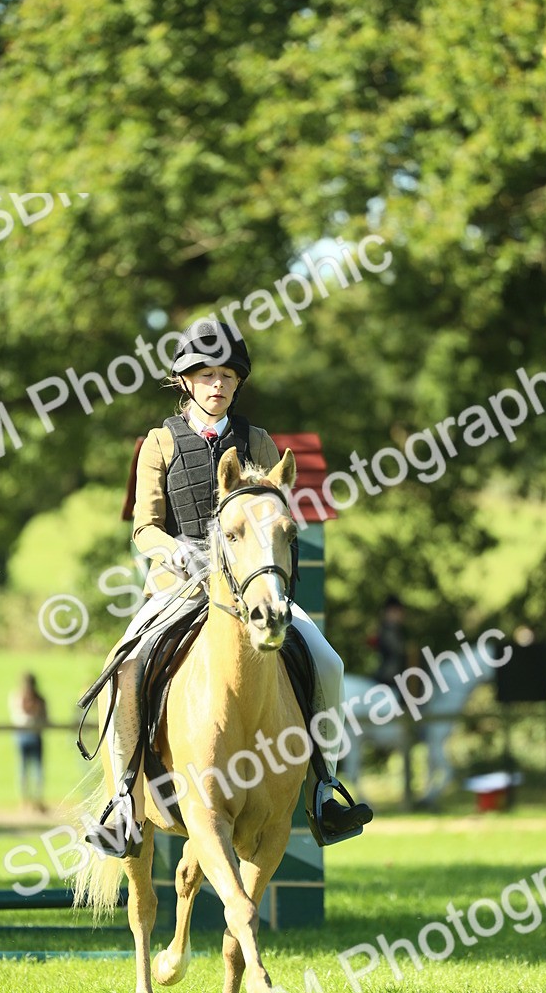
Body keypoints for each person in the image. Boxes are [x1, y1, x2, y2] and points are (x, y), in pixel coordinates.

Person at [85, 318, 358, 858]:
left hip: (249, 587)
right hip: (177, 586)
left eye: (227, 376)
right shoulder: (160, 443)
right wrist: (176, 552)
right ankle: (122, 798)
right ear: (186, 380)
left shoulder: (256, 440)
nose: (218, 385)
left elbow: (272, 509)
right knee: (125, 668)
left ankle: (324, 784)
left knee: (328, 662)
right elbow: (144, 527)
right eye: (206, 375)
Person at [9, 673, 49, 812]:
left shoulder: (16, 697)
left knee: (23, 769)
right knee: (37, 770)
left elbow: (15, 717)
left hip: (21, 736)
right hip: (36, 735)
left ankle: (24, 801)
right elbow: (46, 719)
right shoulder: (40, 700)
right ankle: (37, 801)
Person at [372, 595, 408, 689]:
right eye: (396, 612)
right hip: (387, 679)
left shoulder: (393, 631)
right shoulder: (387, 631)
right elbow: (396, 650)